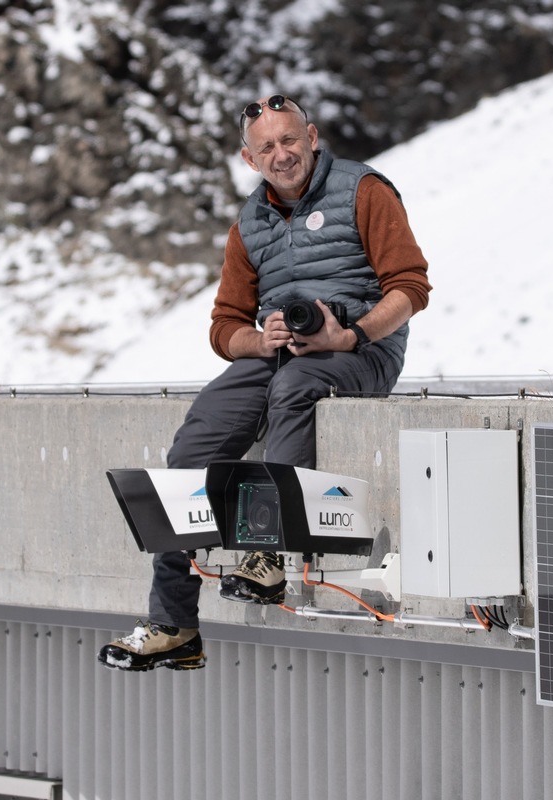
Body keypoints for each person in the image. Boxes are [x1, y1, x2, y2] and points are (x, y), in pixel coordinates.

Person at [99, 94, 431, 671]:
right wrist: (263, 338)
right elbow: (224, 326)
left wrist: (349, 335)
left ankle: (268, 557)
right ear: (249, 160)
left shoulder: (364, 190)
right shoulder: (248, 224)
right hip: (282, 357)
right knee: (193, 444)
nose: (282, 155)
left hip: (363, 351)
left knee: (295, 387)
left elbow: (410, 287)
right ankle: (175, 624)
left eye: (290, 140)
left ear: (313, 137)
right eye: (267, 148)